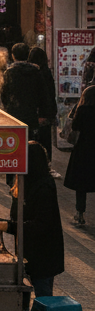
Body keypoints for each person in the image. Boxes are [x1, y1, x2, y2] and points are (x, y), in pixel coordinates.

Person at [0, 141, 64, 298]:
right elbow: (19, 217)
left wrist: (7, 226)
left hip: (43, 256)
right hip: (28, 251)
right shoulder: (23, 184)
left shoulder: (43, 188)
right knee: (24, 294)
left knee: (43, 296)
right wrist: (0, 223)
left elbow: (41, 225)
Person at [2, 43, 55, 143]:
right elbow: (44, 94)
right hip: (32, 114)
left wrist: (7, 109)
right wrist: (43, 114)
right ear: (28, 55)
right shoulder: (36, 72)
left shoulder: (9, 73)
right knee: (31, 142)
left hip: (14, 115)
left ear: (12, 55)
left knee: (15, 142)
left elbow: (4, 95)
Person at [65, 85, 95, 225]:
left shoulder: (82, 110)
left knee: (81, 185)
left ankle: (80, 213)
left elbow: (75, 127)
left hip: (83, 150)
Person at [29, 47, 58, 161]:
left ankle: (37, 164)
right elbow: (51, 93)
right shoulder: (46, 72)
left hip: (38, 112)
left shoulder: (34, 73)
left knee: (36, 139)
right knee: (46, 140)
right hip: (47, 112)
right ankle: (46, 163)